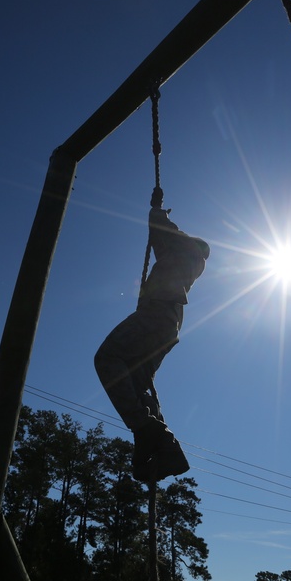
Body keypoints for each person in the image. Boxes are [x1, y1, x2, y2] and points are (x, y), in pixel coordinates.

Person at [95, 204, 209, 482]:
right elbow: (161, 239)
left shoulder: (184, 251)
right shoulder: (184, 263)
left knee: (108, 357)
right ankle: (161, 445)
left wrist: (159, 210)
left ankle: (149, 431)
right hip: (166, 324)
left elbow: (161, 230)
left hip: (155, 316)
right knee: (138, 381)